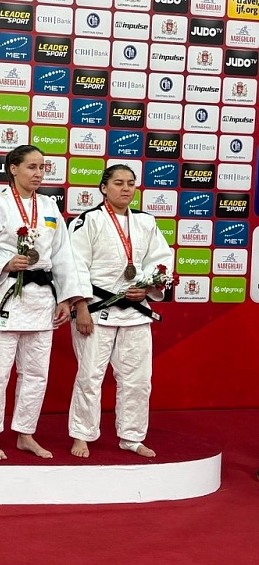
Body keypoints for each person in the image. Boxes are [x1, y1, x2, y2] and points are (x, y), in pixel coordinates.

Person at [0, 144, 88, 460]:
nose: (39, 173)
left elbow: (63, 257)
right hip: (7, 298)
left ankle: (25, 433)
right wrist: (5, 262)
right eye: (32, 167)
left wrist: (67, 299)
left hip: (42, 301)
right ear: (13, 168)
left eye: (42, 167)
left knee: (36, 374)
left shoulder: (49, 206)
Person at [68, 164, 174, 458]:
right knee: (90, 376)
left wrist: (148, 286)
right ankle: (82, 435)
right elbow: (75, 266)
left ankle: (132, 436)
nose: (126, 188)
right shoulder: (87, 221)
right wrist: (80, 307)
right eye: (118, 183)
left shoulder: (145, 222)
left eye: (130, 183)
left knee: (138, 380)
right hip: (96, 310)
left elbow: (161, 260)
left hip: (136, 311)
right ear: (104, 188)